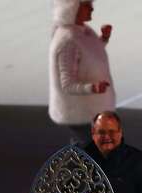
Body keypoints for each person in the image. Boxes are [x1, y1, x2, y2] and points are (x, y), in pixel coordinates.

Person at [49, 0, 115, 142]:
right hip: (78, 111)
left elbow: (89, 54)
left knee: (90, 148)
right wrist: (93, 88)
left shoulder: (82, 31)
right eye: (86, 5)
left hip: (88, 108)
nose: (91, 8)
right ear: (72, 9)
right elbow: (67, 85)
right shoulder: (68, 41)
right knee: (90, 147)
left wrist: (103, 38)